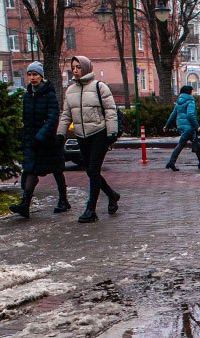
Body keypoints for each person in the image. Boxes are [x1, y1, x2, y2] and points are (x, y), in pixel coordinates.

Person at [57, 55, 120, 224]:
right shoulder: (70, 91)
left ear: (86, 68)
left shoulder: (100, 87)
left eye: (78, 67)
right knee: (91, 172)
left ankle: (90, 209)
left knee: (93, 171)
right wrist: (60, 134)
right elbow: (66, 115)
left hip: (99, 133)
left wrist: (112, 132)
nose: (75, 70)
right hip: (81, 136)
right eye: (73, 67)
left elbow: (110, 111)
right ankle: (112, 195)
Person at [9, 61, 69, 218]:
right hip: (32, 141)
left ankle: (63, 200)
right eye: (29, 74)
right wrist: (25, 139)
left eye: (35, 74)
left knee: (57, 170)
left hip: (48, 142)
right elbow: (26, 119)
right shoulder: (28, 95)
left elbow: (52, 118)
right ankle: (25, 204)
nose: (32, 78)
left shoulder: (49, 95)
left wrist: (41, 137)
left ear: (41, 76)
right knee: (31, 169)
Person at [164, 85, 200, 172]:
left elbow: (173, 115)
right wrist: (197, 126)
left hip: (181, 126)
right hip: (189, 127)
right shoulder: (190, 101)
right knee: (182, 144)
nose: (192, 93)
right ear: (189, 92)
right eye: (191, 91)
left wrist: (166, 126)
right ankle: (171, 162)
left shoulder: (179, 102)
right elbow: (190, 115)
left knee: (195, 142)